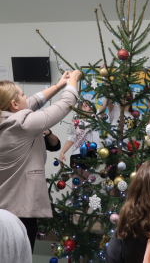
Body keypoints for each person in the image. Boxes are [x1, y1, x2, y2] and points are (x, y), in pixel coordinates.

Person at [0, 70, 81, 252]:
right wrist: (74, 81)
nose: (26, 96)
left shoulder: (6, 118)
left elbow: (31, 102)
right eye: (21, 94)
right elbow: (66, 103)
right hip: (20, 212)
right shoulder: (22, 125)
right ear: (13, 104)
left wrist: (59, 85)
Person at [59, 100, 102, 221]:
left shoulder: (96, 120)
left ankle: (84, 214)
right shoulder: (76, 123)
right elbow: (71, 139)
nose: (88, 108)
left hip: (90, 155)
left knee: (87, 186)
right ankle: (73, 214)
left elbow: (103, 107)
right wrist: (62, 152)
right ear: (80, 108)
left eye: (89, 106)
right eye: (85, 105)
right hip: (77, 155)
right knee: (76, 185)